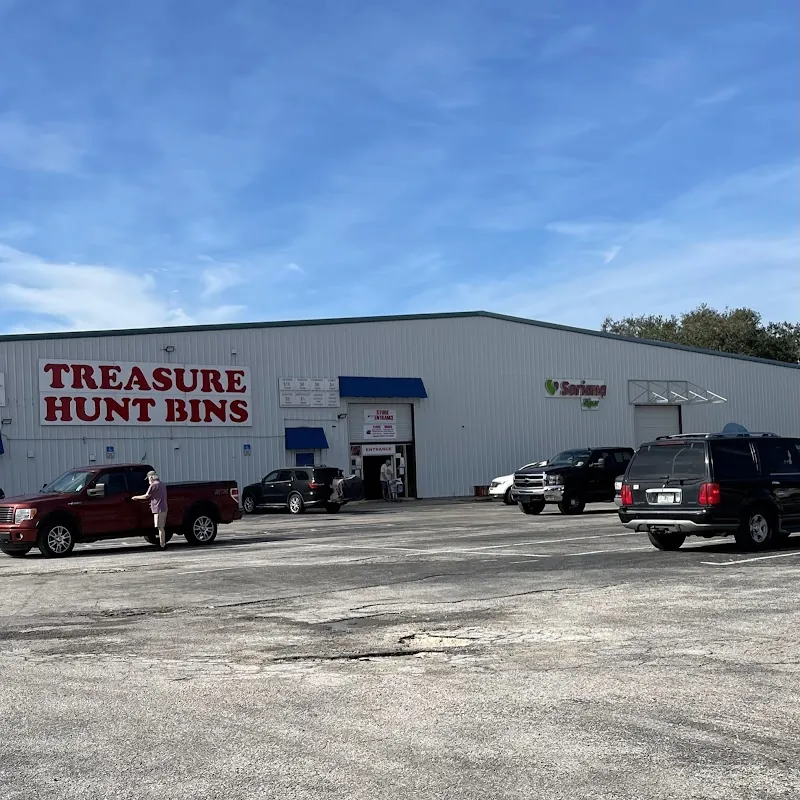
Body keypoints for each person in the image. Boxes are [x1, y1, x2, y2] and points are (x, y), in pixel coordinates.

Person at [133, 471, 169, 549]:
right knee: (161, 527)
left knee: (160, 527)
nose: (148, 480)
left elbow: (146, 496)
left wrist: (136, 497)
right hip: (163, 507)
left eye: (149, 478)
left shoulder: (153, 485)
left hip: (158, 508)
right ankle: (162, 544)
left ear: (151, 477)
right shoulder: (162, 484)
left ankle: (162, 545)